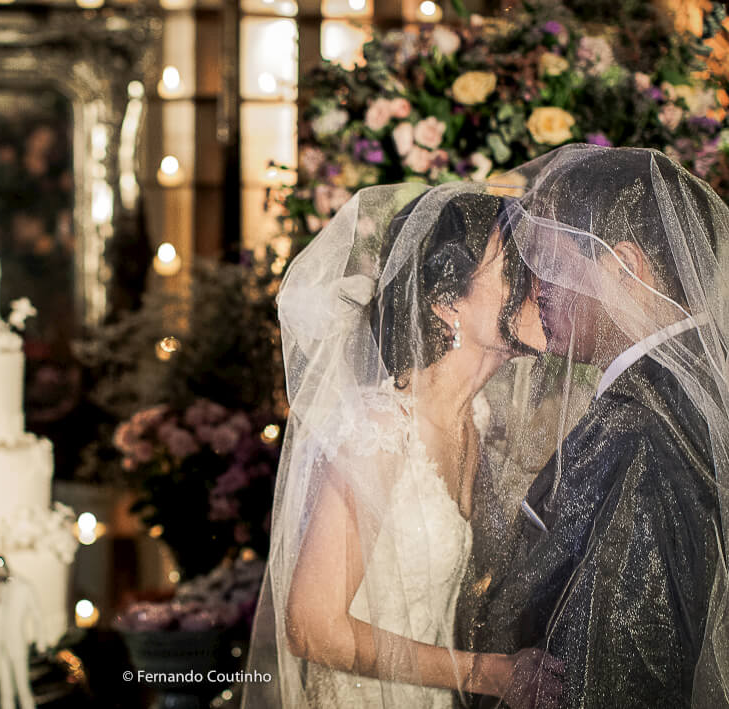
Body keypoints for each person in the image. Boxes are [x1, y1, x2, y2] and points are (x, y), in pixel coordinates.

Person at [243, 182, 565, 708]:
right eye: (513, 269)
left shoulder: (473, 417)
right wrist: (491, 675)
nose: (537, 285)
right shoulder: (379, 429)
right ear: (445, 304)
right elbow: (311, 627)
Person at [459, 145, 729, 708]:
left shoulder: (645, 430)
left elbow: (628, 662)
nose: (536, 288)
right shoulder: (678, 391)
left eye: (551, 263)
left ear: (625, 267)